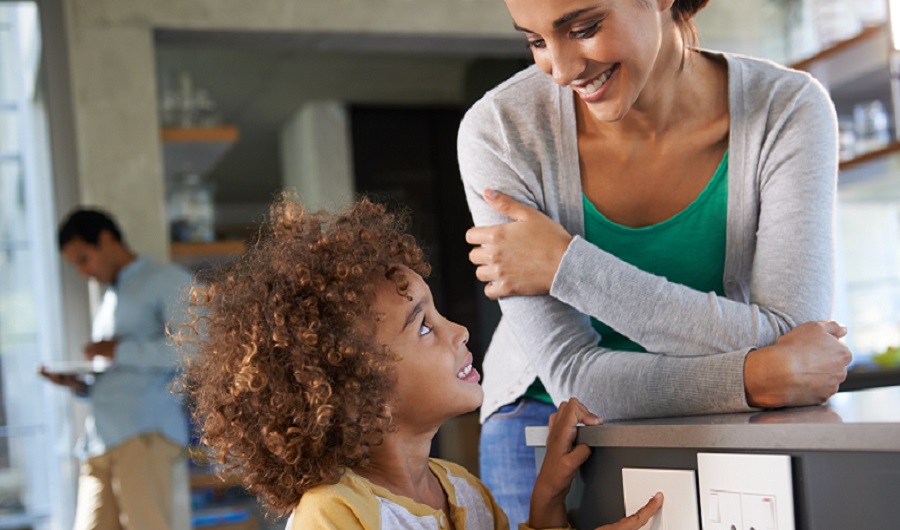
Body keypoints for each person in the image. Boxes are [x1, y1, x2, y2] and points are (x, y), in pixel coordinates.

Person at [457, 0, 853, 523]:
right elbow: (573, 376)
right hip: (546, 421)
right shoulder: (501, 132)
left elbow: (793, 337)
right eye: (535, 41)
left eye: (584, 28)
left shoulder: (785, 110)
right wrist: (753, 377)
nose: (561, 69)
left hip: (726, 411)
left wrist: (568, 268)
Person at [180, 195, 663, 529]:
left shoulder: (466, 493)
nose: (460, 331)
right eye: (424, 326)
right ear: (354, 389)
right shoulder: (333, 514)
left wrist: (547, 501)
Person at [39, 209, 192, 530]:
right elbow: (124, 369)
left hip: (143, 436)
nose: (83, 272)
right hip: (100, 439)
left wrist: (119, 350)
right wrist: (81, 385)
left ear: (107, 240)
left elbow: (194, 349)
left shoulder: (167, 280)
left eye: (84, 259)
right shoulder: (110, 296)